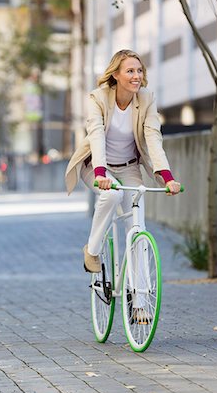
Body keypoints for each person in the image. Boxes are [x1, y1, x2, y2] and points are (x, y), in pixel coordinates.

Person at [65, 49, 181, 278]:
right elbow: (96, 134)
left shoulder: (146, 99)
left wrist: (168, 178)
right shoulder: (98, 98)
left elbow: (153, 138)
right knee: (112, 194)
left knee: (137, 228)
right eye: (130, 71)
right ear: (116, 74)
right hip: (97, 167)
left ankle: (139, 300)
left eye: (139, 70)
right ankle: (92, 250)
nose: (136, 75)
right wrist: (100, 173)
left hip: (129, 168)